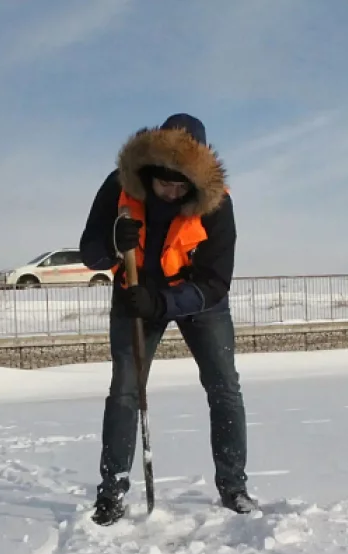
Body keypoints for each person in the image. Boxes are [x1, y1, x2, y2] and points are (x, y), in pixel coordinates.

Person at [78, 112, 255, 526]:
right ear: (150, 170)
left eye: (181, 186)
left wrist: (161, 304)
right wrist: (112, 242)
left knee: (224, 387)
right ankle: (112, 492)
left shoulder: (216, 202)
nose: (172, 193)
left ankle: (234, 486)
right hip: (133, 293)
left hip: (197, 300)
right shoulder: (120, 185)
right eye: (164, 183)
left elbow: (215, 282)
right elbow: (90, 253)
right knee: (125, 389)